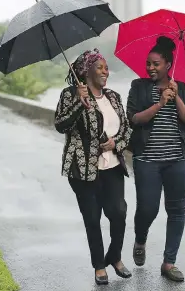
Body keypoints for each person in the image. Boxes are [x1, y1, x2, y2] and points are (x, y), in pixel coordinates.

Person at [54, 49, 132, 285]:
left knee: (119, 213)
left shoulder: (114, 97)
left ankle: (115, 256)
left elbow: (127, 129)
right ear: (86, 71)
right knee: (92, 218)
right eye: (100, 67)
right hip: (82, 169)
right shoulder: (70, 94)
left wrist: (114, 143)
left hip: (113, 166)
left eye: (106, 68)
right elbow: (60, 125)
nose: (105, 71)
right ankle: (99, 265)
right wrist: (79, 101)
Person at [126, 36, 185, 282]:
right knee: (148, 208)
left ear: (168, 64)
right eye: (148, 63)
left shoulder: (183, 88)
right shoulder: (138, 86)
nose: (150, 67)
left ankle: (169, 263)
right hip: (147, 159)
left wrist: (176, 97)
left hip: (178, 160)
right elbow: (134, 119)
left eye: (156, 63)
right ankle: (140, 238)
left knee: (176, 211)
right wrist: (160, 103)